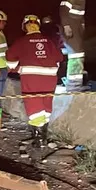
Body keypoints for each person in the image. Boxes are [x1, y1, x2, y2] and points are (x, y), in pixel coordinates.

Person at [6, 15, 64, 146]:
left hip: (32, 78)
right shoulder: (49, 41)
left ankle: (39, 139)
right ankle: (43, 135)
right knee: (46, 104)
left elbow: (10, 57)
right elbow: (59, 57)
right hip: (50, 79)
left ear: (25, 26)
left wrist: (16, 68)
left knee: (34, 106)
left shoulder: (22, 41)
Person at [58, 0, 96, 90]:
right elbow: (63, 10)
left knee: (78, 53)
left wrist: (82, 25)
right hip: (71, 27)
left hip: (77, 28)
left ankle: (76, 81)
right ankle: (73, 85)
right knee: (76, 54)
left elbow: (80, 13)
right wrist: (66, 26)